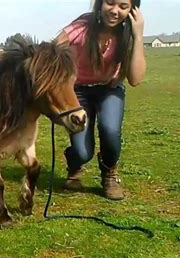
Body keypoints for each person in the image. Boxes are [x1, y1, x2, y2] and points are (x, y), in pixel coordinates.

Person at [56, 0, 145, 200]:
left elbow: (136, 79)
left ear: (132, 10)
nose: (114, 11)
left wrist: (138, 35)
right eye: (110, 3)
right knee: (82, 152)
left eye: (123, 6)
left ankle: (109, 174)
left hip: (109, 89)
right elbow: (52, 50)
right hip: (78, 90)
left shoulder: (128, 34)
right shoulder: (82, 26)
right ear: (99, 3)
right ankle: (75, 164)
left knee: (110, 130)